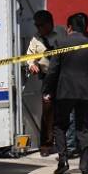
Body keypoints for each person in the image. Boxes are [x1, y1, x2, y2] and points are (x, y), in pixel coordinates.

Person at [43, 14, 88, 174]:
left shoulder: (61, 43)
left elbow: (53, 70)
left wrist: (47, 90)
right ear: (85, 27)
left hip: (65, 91)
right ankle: (85, 165)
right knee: (84, 127)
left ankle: (63, 161)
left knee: (60, 125)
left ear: (69, 27)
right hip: (86, 92)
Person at [26, 10, 66, 156]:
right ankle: (46, 145)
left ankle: (65, 144)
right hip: (47, 78)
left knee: (64, 110)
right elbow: (29, 56)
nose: (38, 29)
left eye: (41, 26)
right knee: (47, 111)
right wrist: (31, 65)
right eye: (37, 26)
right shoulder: (36, 39)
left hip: (63, 77)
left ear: (50, 24)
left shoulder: (61, 33)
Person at [64, 12, 88, 160]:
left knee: (73, 118)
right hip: (86, 87)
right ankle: (85, 149)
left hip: (71, 87)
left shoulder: (68, 42)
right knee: (84, 120)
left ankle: (72, 148)